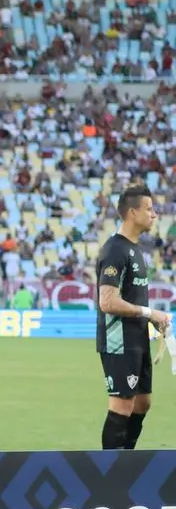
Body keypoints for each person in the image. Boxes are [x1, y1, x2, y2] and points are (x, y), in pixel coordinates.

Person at [95, 184, 170, 450]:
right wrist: (149, 312)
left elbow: (130, 299)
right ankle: (110, 471)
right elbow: (107, 301)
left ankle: (126, 461)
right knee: (122, 404)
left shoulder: (135, 250)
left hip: (137, 338)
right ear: (131, 213)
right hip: (119, 341)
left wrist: (151, 319)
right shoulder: (115, 250)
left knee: (142, 403)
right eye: (149, 209)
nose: (154, 214)